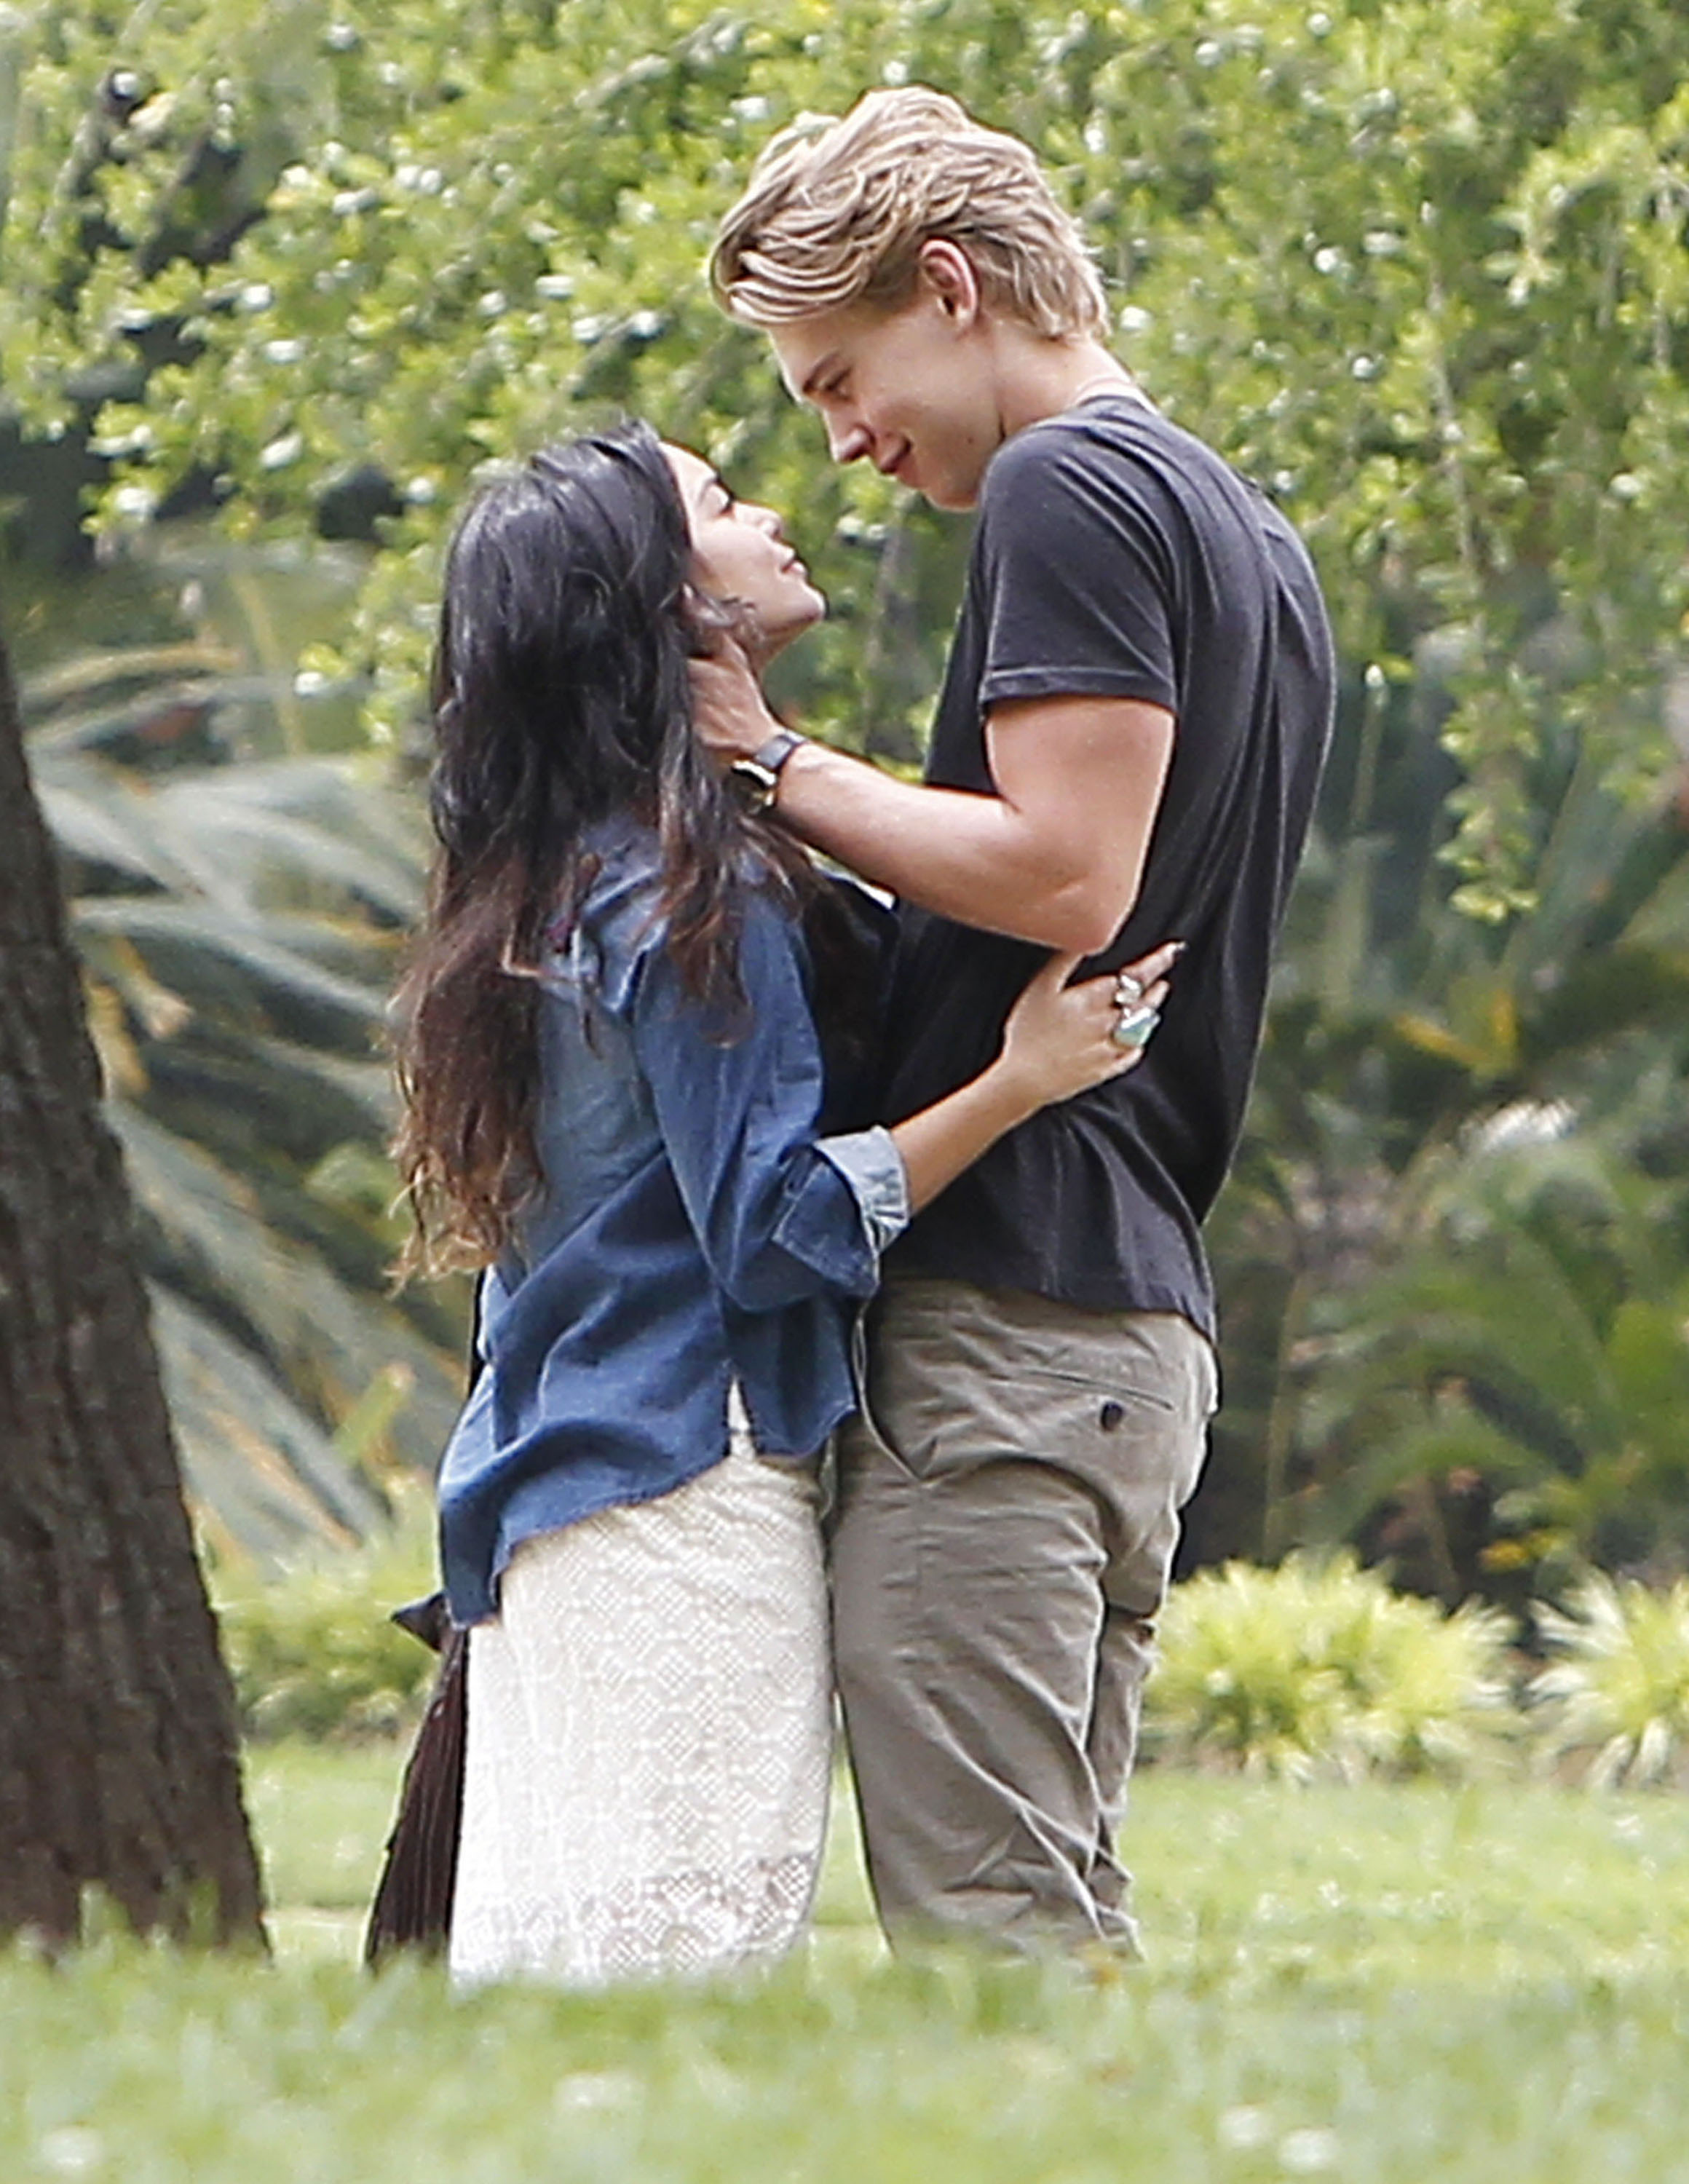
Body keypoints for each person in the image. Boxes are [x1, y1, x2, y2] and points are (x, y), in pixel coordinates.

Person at [389, 419, 1179, 1988]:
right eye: (721, 503)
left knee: (553, 1981)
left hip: (559, 1487)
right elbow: (767, 1235)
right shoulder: (696, 894)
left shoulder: (556, 880)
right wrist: (1015, 1081)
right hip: (687, 1479)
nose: (772, 511)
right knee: (684, 1964)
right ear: (667, 604)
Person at [698, 87, 1337, 1955]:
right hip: (1123, 1327)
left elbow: (1066, 874)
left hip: (1010, 1323)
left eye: (838, 378)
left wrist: (768, 763)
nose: (841, 442)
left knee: (991, 1937)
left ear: (952, 287)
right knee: (1057, 1913)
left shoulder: (1069, 488)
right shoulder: (1241, 526)